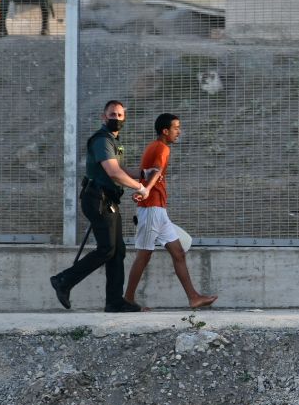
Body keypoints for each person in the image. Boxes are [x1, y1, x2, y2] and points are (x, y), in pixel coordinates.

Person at [50, 101, 148, 312]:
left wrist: (143, 174)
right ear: (104, 117)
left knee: (117, 250)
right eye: (112, 114)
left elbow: (119, 169)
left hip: (109, 200)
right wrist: (140, 187)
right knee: (107, 249)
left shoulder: (113, 141)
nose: (117, 118)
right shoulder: (102, 140)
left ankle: (114, 301)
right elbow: (113, 173)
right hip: (98, 199)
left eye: (120, 115)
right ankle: (64, 280)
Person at [123, 113, 218, 311]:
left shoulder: (153, 146)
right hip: (151, 209)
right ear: (165, 131)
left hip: (158, 210)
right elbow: (156, 171)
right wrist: (146, 190)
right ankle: (128, 300)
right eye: (176, 128)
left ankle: (193, 297)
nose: (179, 131)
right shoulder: (162, 148)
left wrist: (120, 172)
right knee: (144, 255)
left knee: (178, 253)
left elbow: (143, 173)